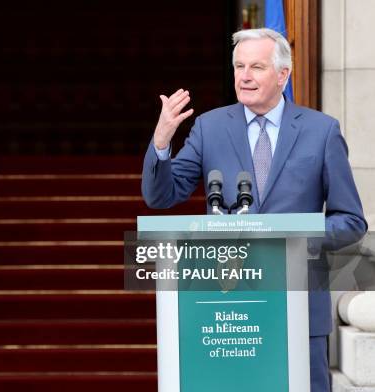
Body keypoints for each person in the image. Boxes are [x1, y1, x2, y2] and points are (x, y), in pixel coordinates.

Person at [141, 28, 367, 392]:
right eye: (239, 66)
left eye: (257, 67)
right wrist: (162, 141)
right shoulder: (210, 127)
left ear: (283, 75)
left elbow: (352, 221)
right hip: (230, 313)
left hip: (299, 309)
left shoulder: (321, 131)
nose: (244, 76)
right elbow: (161, 196)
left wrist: (293, 239)